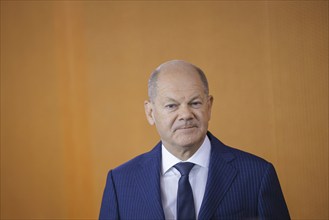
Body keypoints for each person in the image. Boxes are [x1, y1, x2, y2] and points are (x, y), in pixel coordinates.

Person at [99, 60, 290, 220]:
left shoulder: (257, 175)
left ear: (209, 106)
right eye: (172, 105)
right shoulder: (121, 182)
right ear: (150, 112)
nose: (185, 114)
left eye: (195, 103)